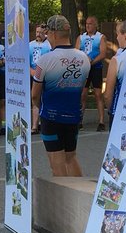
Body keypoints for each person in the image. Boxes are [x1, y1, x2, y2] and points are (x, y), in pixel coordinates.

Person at [33, 15, 90, 176]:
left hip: (51, 117)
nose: (46, 37)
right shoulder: (84, 58)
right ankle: (78, 190)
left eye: (47, 33)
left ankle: (62, 193)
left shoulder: (44, 60)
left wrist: (41, 107)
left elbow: (34, 95)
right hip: (73, 115)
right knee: (71, 157)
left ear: (53, 33)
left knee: (56, 163)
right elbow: (82, 88)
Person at [77, 16, 108, 130]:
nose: (88, 26)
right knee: (83, 94)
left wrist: (92, 62)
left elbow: (103, 53)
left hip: (96, 68)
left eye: (90, 24)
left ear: (95, 25)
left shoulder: (101, 37)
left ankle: (101, 122)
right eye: (86, 24)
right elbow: (76, 51)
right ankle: (79, 121)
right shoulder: (81, 37)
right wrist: (83, 62)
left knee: (98, 94)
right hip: (84, 69)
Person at [105, 19, 126, 123]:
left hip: (119, 112)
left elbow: (108, 95)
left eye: (118, 34)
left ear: (125, 35)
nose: (117, 37)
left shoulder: (117, 59)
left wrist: (110, 109)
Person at [28, 24, 49, 134]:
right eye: (37, 32)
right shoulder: (30, 45)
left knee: (44, 99)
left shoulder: (49, 45)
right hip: (33, 74)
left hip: (45, 76)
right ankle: (34, 126)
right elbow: (25, 61)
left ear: (45, 33)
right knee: (34, 98)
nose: (38, 34)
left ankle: (44, 123)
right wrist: (31, 71)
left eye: (41, 32)